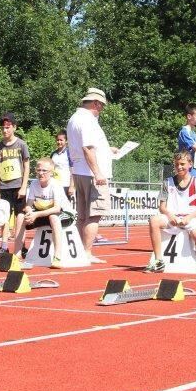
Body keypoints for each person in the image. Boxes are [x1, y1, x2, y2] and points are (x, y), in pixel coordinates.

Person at [144, 151, 196, 274]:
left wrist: (188, 218)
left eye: (182, 164)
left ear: (190, 164)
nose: (179, 167)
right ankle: (158, 260)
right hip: (172, 218)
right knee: (154, 220)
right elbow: (162, 207)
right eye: (176, 164)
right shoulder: (167, 182)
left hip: (190, 218)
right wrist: (170, 215)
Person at [67, 87, 117, 264]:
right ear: (96, 103)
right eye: (101, 106)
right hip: (91, 173)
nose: (101, 109)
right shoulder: (88, 120)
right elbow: (87, 148)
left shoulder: (74, 118)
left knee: (82, 215)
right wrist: (98, 173)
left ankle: (79, 251)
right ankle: (87, 253)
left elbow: (86, 146)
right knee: (94, 214)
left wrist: (107, 150)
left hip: (79, 171)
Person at [13, 158, 74, 267]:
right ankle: (17, 256)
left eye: (44, 171)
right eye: (38, 170)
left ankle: (57, 257)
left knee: (53, 217)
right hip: (44, 214)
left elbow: (57, 209)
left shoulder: (55, 185)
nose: (41, 173)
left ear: (51, 172)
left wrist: (36, 214)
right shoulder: (34, 184)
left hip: (65, 214)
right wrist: (30, 212)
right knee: (21, 216)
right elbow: (28, 205)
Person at [0, 112, 30, 257]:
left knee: (20, 216)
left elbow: (26, 166)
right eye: (2, 128)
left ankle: (21, 247)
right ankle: (4, 246)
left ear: (14, 127)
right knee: (3, 217)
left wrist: (24, 186)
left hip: (18, 186)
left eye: (7, 127)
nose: (5, 130)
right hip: (3, 187)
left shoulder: (21, 144)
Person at [177, 104, 196, 178]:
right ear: (189, 116)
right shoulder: (184, 132)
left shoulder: (193, 133)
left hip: (195, 168)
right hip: (188, 170)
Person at [50, 131, 73, 201]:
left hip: (66, 185)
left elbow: (73, 171)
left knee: (65, 206)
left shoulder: (69, 153)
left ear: (66, 141)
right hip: (55, 185)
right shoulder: (53, 154)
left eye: (61, 140)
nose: (59, 142)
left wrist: (71, 186)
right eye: (57, 140)